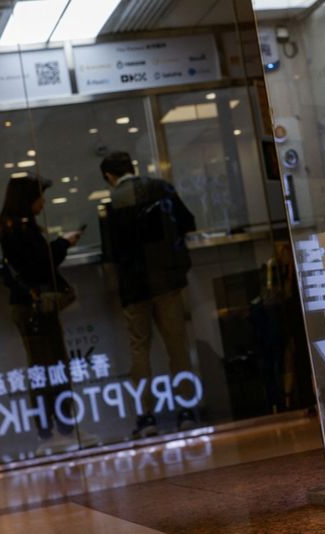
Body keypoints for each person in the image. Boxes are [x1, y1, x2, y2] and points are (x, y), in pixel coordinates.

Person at [100, 151, 196, 436]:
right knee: (176, 347)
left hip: (134, 288)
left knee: (139, 349)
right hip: (167, 283)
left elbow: (111, 256)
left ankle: (146, 418)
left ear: (109, 177)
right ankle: (186, 410)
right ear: (133, 167)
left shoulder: (110, 206)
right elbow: (188, 222)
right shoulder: (160, 188)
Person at [0, 173, 82, 451]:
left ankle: (51, 427)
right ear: (28, 200)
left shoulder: (9, 227)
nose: (43, 202)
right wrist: (63, 244)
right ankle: (58, 427)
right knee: (50, 365)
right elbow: (40, 264)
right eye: (39, 197)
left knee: (44, 365)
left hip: (26, 305)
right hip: (35, 305)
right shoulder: (21, 229)